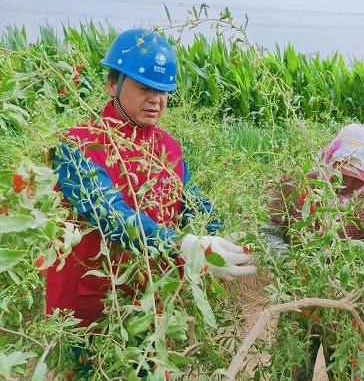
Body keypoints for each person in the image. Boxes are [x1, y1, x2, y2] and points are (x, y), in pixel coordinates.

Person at [46, 29, 256, 341]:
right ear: (112, 85)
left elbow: (189, 202)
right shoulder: (78, 144)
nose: (156, 100)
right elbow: (110, 214)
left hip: (152, 299)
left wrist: (220, 235)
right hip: (90, 305)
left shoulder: (169, 147)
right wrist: (181, 245)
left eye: (163, 91)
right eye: (145, 88)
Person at [267, 123, 364, 381]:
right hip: (297, 302)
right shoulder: (295, 188)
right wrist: (286, 261)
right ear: (331, 158)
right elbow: (270, 232)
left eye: (360, 177)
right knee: (291, 370)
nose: (350, 182)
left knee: (347, 371)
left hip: (347, 308)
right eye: (346, 171)